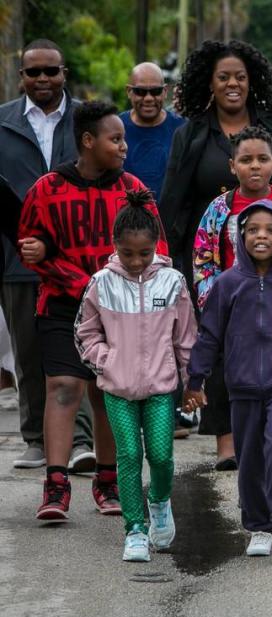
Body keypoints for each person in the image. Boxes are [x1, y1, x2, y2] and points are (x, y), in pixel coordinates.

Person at [19, 100, 168, 521]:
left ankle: (108, 481)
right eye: (115, 138)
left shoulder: (133, 191)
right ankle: (56, 485)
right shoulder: (47, 189)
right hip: (63, 307)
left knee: (106, 395)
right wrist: (72, 275)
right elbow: (30, 244)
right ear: (88, 141)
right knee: (63, 387)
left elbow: (157, 251)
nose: (124, 146)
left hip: (119, 311)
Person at [184, 199, 272, 558]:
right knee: (249, 456)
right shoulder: (228, 283)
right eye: (253, 230)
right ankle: (258, 526)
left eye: (270, 230)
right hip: (242, 384)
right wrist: (196, 380)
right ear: (240, 237)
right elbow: (210, 335)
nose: (261, 236)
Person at [192, 125, 272, 469]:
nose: (255, 166)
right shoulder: (219, 208)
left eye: (262, 159)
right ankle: (235, 450)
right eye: (246, 160)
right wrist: (214, 303)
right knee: (233, 386)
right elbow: (203, 257)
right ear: (232, 166)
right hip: (235, 317)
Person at [75, 189, 196, 561]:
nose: (136, 261)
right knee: (128, 454)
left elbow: (186, 336)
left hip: (161, 388)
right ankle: (135, 530)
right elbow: (85, 332)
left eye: (144, 254)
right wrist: (106, 361)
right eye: (128, 254)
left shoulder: (172, 282)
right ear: (115, 246)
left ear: (156, 246)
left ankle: (159, 502)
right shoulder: (101, 283)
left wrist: (191, 380)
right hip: (118, 388)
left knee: (159, 455)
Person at [0, 38, 95, 470]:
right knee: (28, 350)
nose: (42, 79)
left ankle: (80, 441)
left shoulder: (85, 122)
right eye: (33, 72)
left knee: (80, 348)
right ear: (22, 76)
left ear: (64, 74)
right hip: (17, 257)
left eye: (50, 71)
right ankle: (36, 438)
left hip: (77, 259)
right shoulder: (2, 122)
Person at [160, 39, 272, 288]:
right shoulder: (190, 134)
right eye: (223, 77)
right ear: (210, 82)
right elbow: (173, 200)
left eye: (240, 77)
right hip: (211, 259)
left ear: (251, 81)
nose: (233, 83)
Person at [119, 62, 184, 196]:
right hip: (124, 214)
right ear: (129, 91)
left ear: (165, 91)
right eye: (140, 92)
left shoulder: (183, 129)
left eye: (155, 91)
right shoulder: (115, 128)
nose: (148, 98)